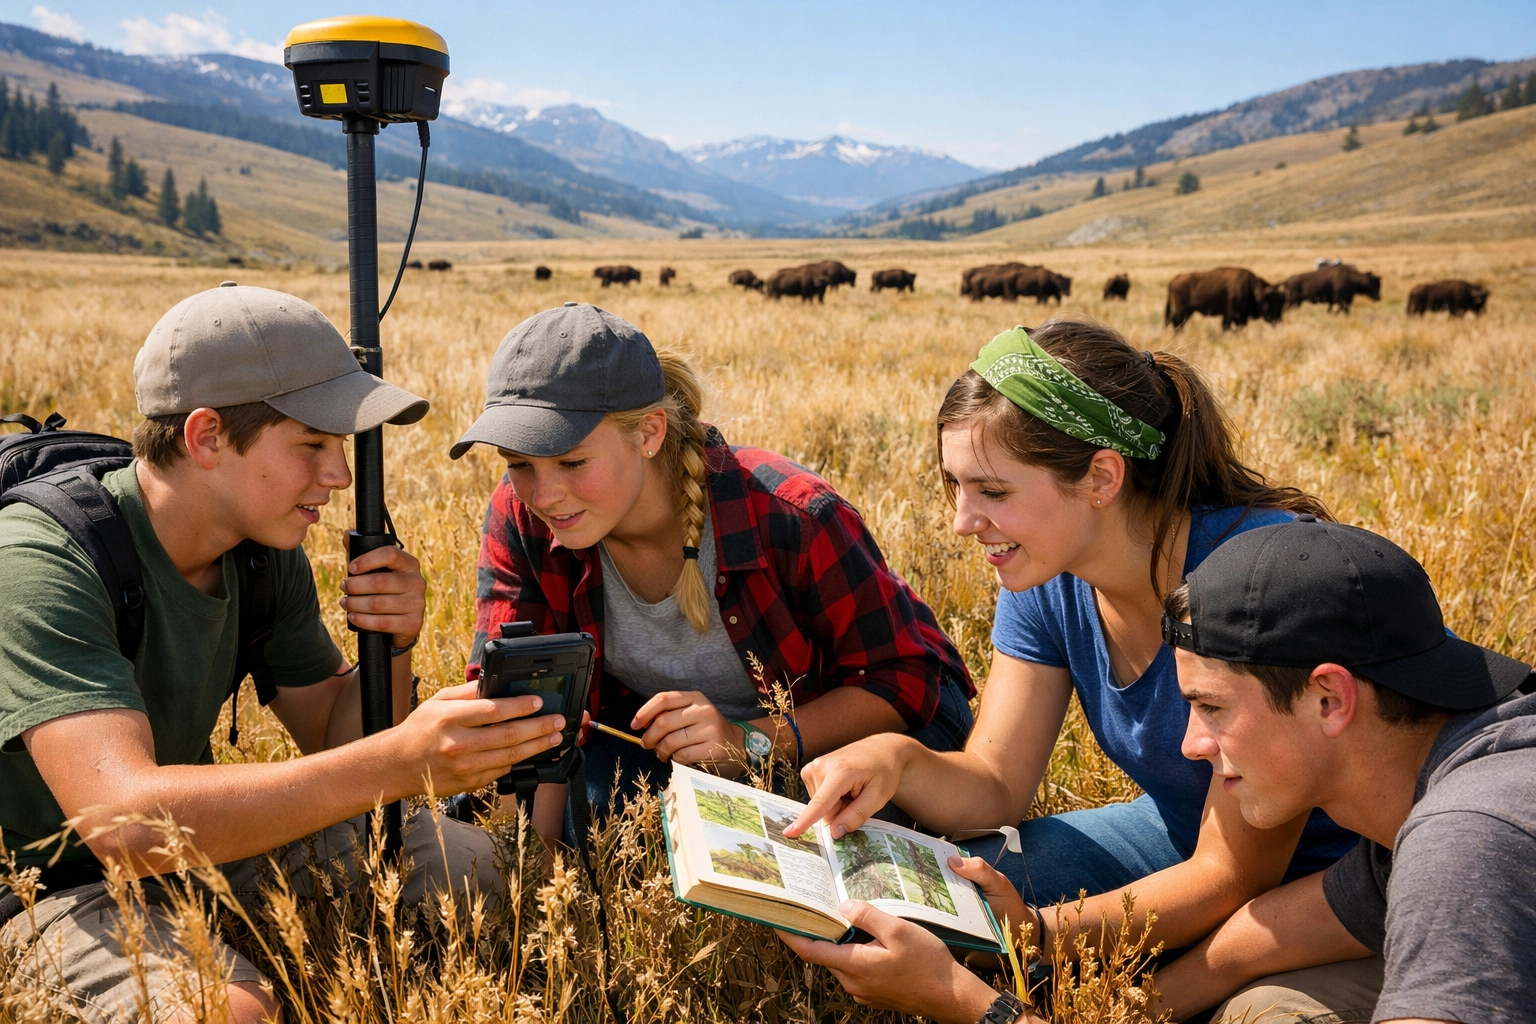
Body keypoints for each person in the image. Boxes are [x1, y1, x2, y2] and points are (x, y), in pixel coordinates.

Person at [0, 284, 568, 1024]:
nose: (338, 476)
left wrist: (391, 649)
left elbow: (336, 739)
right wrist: (405, 759)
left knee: (502, 875)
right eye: (313, 446)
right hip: (43, 889)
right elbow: (125, 824)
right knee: (232, 1014)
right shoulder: (42, 561)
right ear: (205, 438)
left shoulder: (259, 547)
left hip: (195, 853)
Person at [780, 315, 1357, 1021]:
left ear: (1102, 477)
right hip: (1180, 835)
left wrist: (1031, 936)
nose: (963, 521)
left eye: (992, 492)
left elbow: (1233, 873)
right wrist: (896, 758)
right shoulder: (1045, 576)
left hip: (1338, 882)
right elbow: (994, 784)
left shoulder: (1248, 581)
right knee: (947, 898)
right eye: (954, 486)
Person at [453, 302, 975, 842]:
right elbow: (525, 710)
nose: (543, 495)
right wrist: (537, 866)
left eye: (571, 461)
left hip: (876, 736)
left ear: (650, 431)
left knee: (821, 841)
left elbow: (905, 683)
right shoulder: (523, 517)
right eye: (518, 464)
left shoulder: (791, 512)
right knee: (605, 826)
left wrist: (745, 740)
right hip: (680, 753)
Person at [1149, 518, 1535, 1024]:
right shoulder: (1433, 773)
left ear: (1330, 699)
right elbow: (1241, 950)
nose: (1191, 745)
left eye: (1212, 707)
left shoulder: (1466, 834)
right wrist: (1104, 1014)